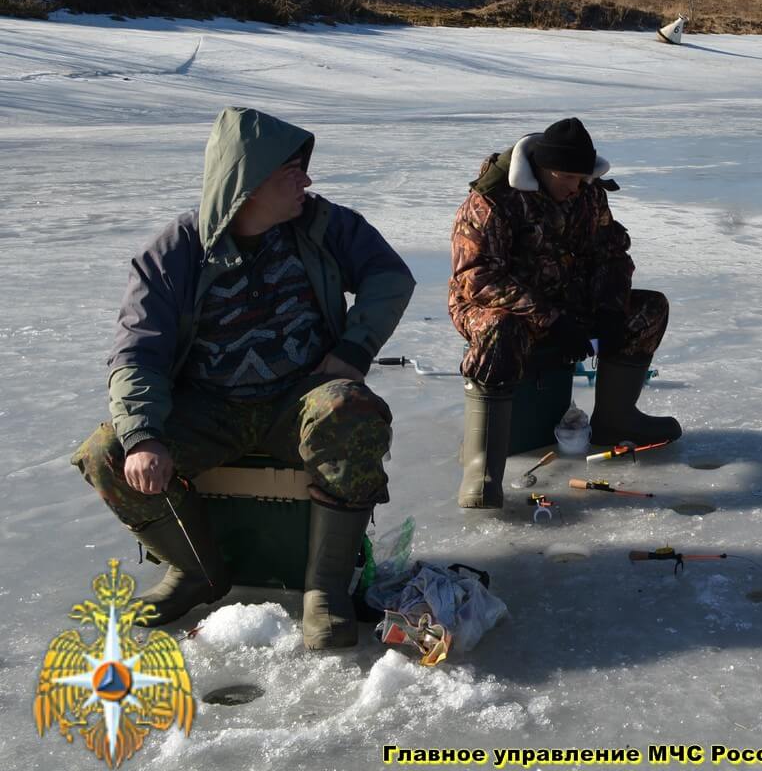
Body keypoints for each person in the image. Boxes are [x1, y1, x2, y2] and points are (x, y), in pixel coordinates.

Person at [72, 107, 415, 646]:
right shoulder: (174, 254)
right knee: (107, 453)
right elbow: (137, 354)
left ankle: (324, 589)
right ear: (248, 184)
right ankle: (195, 572)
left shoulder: (323, 225)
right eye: (291, 174)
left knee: (353, 410)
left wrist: (353, 349)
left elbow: (389, 276)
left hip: (296, 400)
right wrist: (143, 436)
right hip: (208, 408)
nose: (307, 181)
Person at [449, 117, 678, 509]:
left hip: (570, 303)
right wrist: (550, 319)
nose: (577, 187)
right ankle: (482, 468)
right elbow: (478, 278)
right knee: (498, 331)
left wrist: (608, 305)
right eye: (568, 177)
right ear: (543, 170)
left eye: (582, 177)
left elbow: (612, 252)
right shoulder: (492, 201)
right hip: (499, 308)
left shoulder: (587, 192)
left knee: (648, 309)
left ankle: (615, 418)